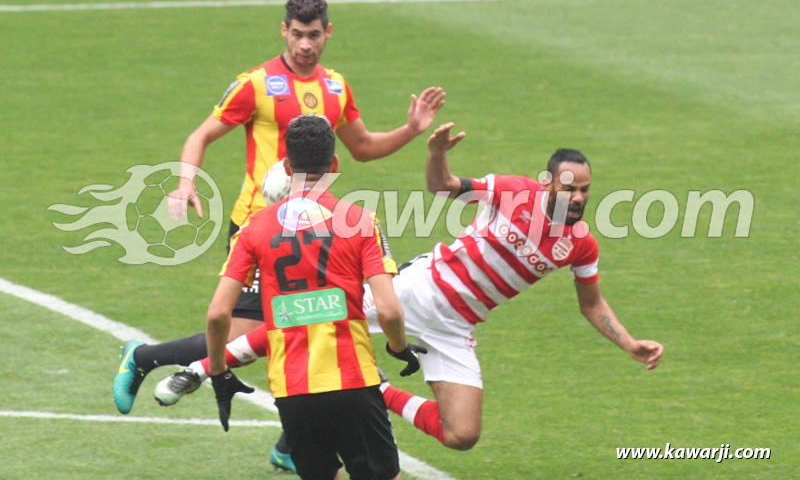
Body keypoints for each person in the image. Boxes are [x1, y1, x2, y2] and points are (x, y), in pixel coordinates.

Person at [159, 122, 665, 455]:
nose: (576, 197)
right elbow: (443, 187)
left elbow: (592, 304)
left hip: (456, 326)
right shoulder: (512, 191)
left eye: (584, 190)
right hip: (417, 290)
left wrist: (629, 343)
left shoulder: (580, 245)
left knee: (461, 435)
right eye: (568, 187)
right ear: (548, 182)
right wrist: (437, 155)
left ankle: (377, 389)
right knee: (303, 313)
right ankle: (198, 370)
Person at [113, 0, 445, 419]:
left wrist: (411, 129)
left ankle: (294, 441)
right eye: (296, 35)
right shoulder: (255, 84)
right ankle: (142, 358)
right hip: (259, 226)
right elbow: (201, 136)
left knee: (317, 323)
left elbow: (361, 147)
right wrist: (184, 183)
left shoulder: (335, 85)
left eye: (313, 35)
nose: (304, 45)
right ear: (283, 31)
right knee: (250, 335)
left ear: (327, 33)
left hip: (316, 224)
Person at [206, 115, 425, 480]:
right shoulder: (360, 220)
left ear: (287, 166)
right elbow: (388, 310)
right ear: (334, 164)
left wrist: (218, 371)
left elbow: (217, 315)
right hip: (353, 381)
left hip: (292, 389)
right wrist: (400, 347)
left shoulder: (253, 228)